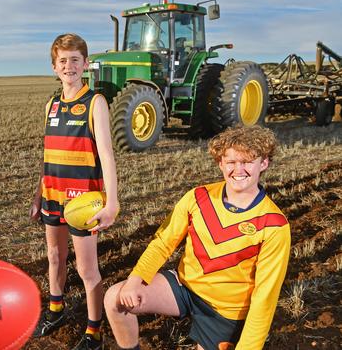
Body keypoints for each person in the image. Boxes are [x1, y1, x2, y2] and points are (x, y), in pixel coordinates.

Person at [104, 125, 291, 350]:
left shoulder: (274, 224)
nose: (238, 170)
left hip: (225, 311)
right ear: (220, 163)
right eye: (231, 162)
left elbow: (265, 297)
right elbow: (163, 243)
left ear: (264, 163)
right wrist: (135, 280)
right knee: (115, 298)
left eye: (247, 162)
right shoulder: (198, 196)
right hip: (185, 287)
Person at [29, 33, 119, 350]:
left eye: (75, 60)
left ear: (86, 64)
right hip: (52, 194)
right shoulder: (51, 105)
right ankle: (57, 310)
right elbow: (48, 154)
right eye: (63, 60)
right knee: (54, 256)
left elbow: (107, 155)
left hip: (84, 201)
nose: (69, 66)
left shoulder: (95, 102)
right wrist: (38, 193)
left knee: (86, 269)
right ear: (55, 67)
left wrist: (112, 203)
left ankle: (94, 331)